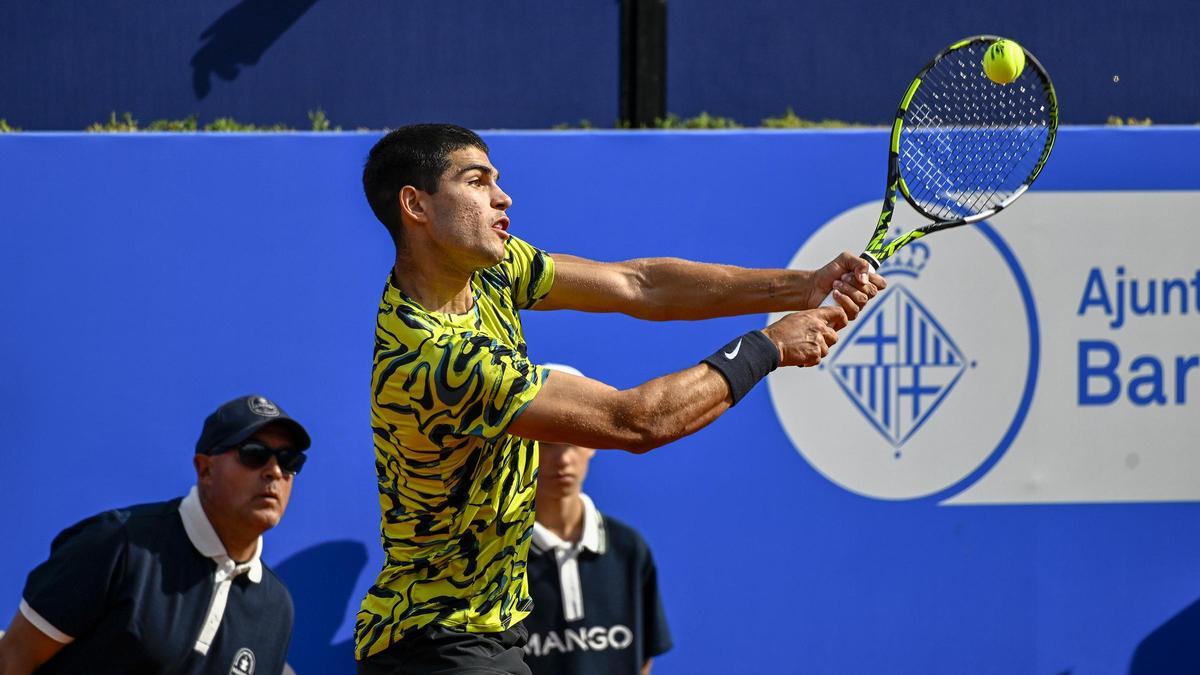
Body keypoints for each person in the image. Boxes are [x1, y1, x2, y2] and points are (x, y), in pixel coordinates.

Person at [355, 123, 885, 674]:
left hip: (485, 636)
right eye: (476, 180)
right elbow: (636, 421)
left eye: (497, 179)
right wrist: (770, 344)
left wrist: (802, 287)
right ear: (415, 206)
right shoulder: (436, 360)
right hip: (435, 645)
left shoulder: (487, 274)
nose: (503, 195)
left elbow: (640, 285)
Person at [0, 394, 312, 675]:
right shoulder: (118, 544)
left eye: (289, 460)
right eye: (254, 453)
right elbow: (14, 659)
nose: (274, 471)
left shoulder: (276, 607)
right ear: (205, 469)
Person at [523, 363, 672, 675]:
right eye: (546, 443)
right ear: (522, 449)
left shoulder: (628, 548)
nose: (562, 459)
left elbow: (642, 660)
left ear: (594, 442)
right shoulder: (498, 557)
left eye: (573, 438)